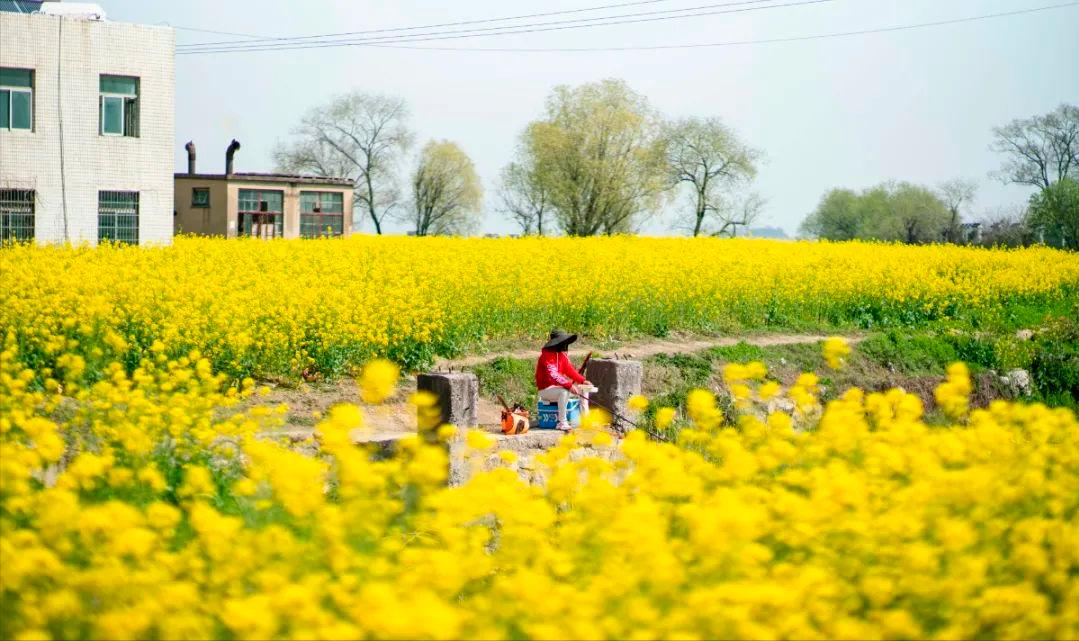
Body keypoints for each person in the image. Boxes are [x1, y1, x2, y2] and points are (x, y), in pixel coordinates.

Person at [535, 329, 590, 431]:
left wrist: (582, 381)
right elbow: (553, 374)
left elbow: (570, 371)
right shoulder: (545, 356)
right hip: (545, 390)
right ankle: (562, 422)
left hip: (557, 388)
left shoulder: (562, 356)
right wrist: (569, 385)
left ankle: (585, 420)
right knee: (563, 391)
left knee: (584, 389)